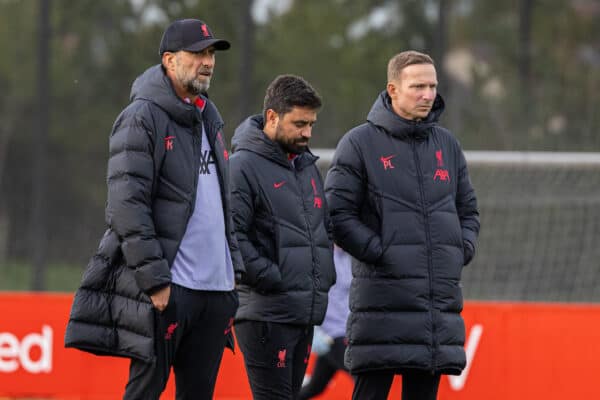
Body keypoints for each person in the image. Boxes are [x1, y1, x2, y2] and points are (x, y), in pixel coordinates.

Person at [64, 19, 243, 399]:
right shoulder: (141, 116)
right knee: (145, 392)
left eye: (211, 53)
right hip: (172, 287)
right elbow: (126, 204)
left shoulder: (209, 115)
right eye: (197, 53)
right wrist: (156, 281)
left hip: (216, 290)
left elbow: (221, 203)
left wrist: (233, 274)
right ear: (169, 60)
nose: (208, 61)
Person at [324, 50, 480, 400]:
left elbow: (468, 209)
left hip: (436, 313)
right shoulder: (359, 143)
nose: (428, 94)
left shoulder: (448, 145)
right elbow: (336, 214)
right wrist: (380, 253)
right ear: (392, 89)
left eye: (432, 86)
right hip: (381, 307)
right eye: (418, 86)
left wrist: (460, 249)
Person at [229, 74, 336, 399]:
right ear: (272, 116)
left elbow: (322, 228)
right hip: (265, 314)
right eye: (300, 123)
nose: (307, 132)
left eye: (311, 124)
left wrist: (321, 276)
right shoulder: (242, 166)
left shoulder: (305, 166)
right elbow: (231, 238)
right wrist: (275, 277)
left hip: (301, 312)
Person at [298, 245, 352, 400]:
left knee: (315, 387)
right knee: (362, 378)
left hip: (344, 331)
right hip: (333, 334)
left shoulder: (348, 257)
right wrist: (316, 331)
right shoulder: (321, 258)